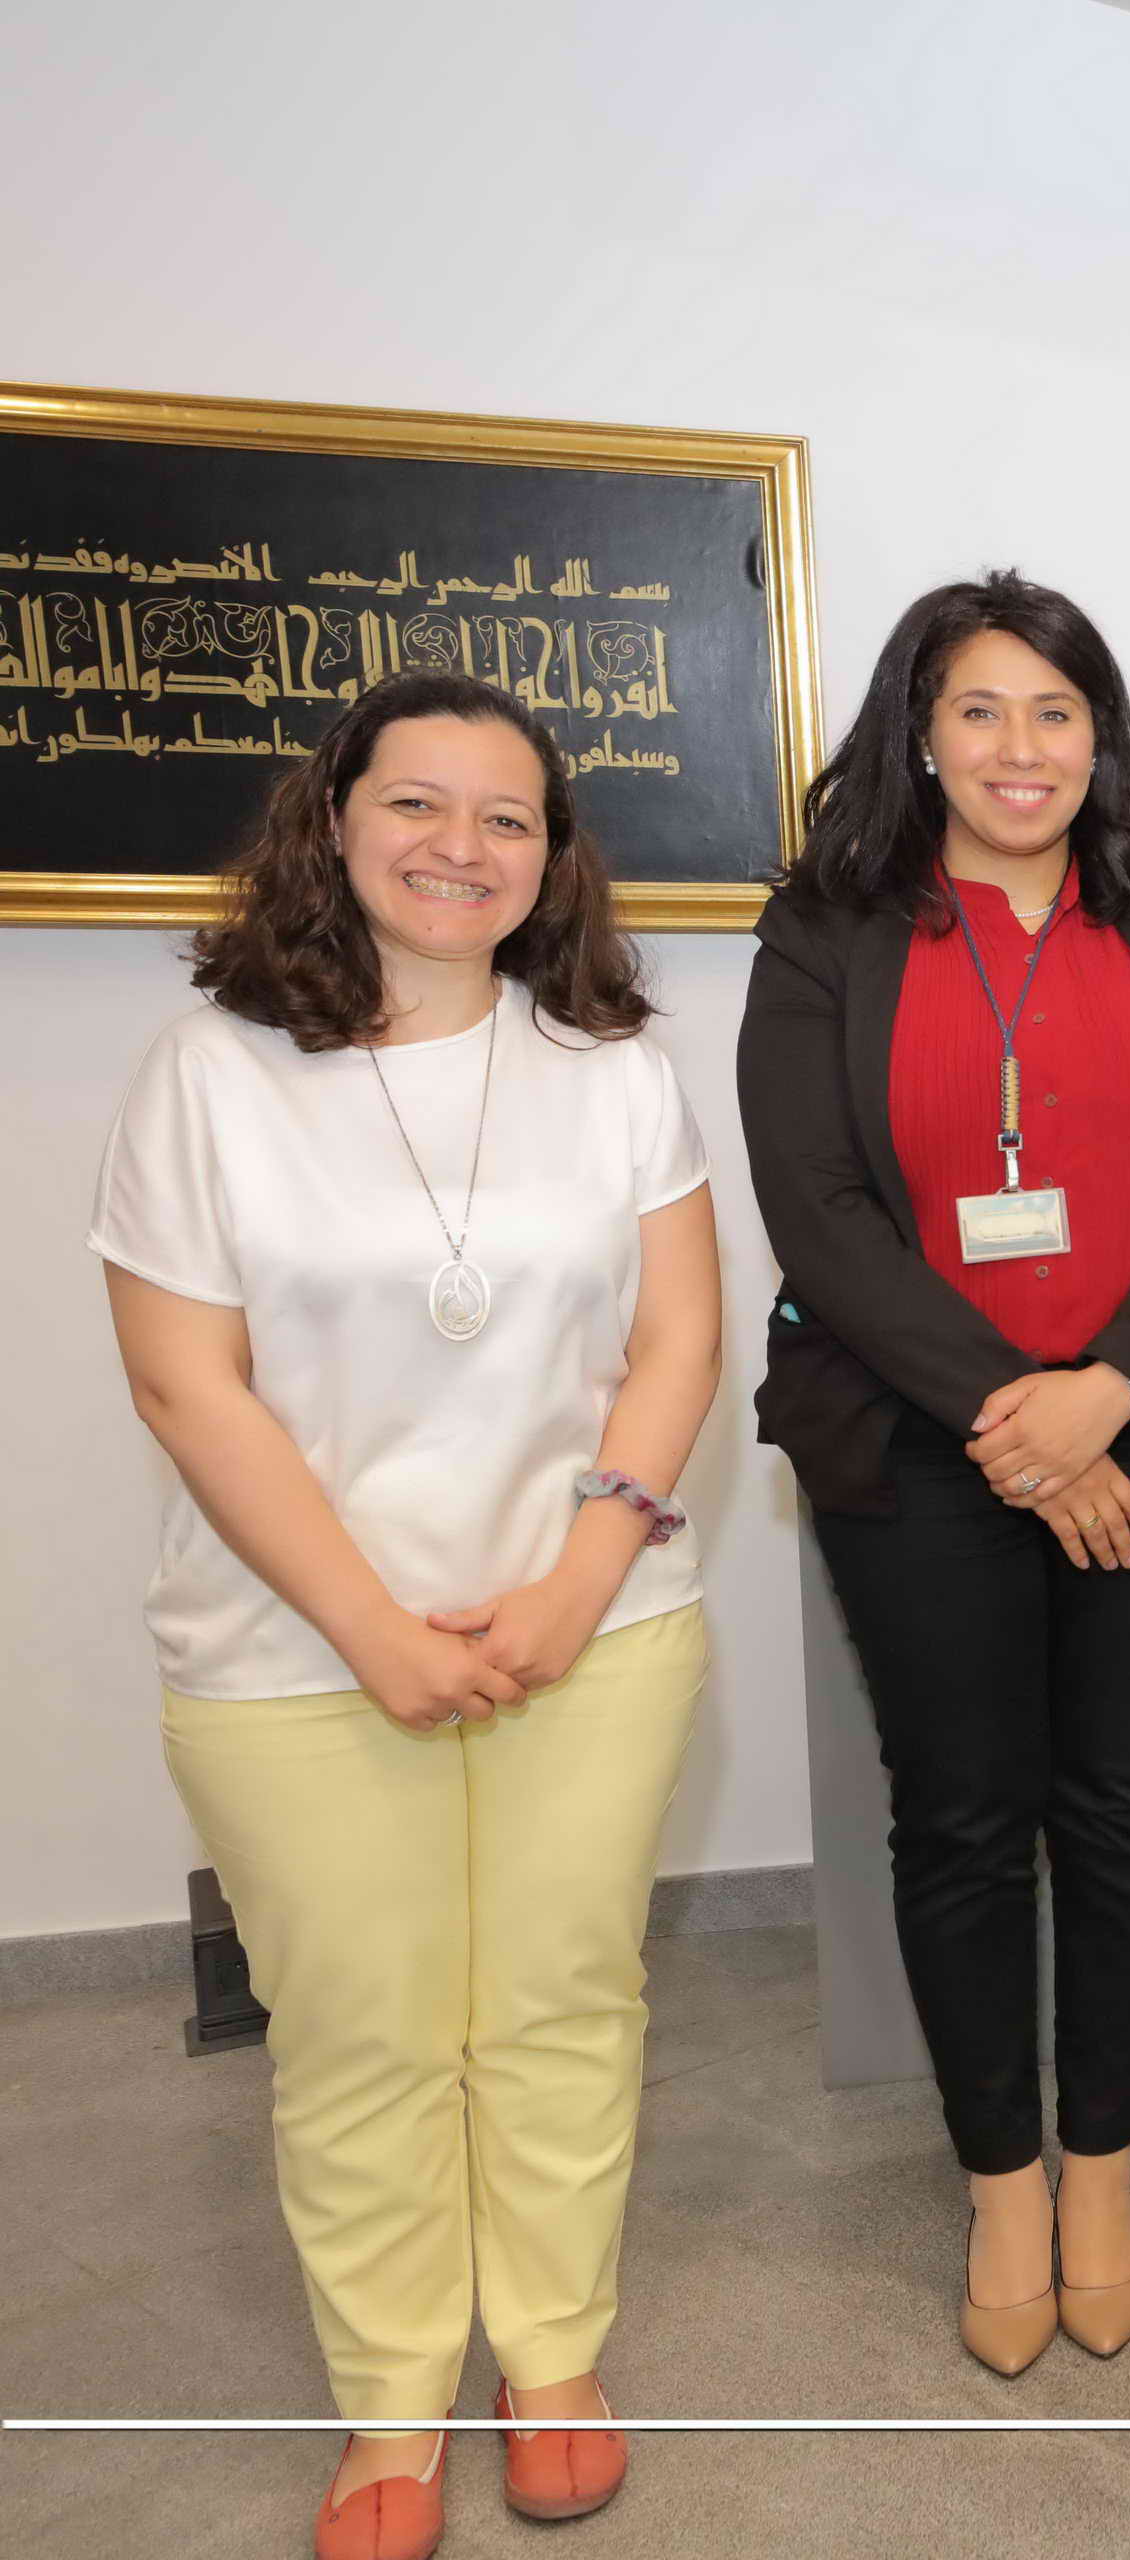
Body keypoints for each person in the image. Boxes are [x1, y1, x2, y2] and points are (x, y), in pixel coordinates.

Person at [92, 672, 717, 2559]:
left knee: (560, 1998)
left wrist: (581, 1581)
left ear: (552, 858)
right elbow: (187, 1383)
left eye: (508, 817)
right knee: (361, 2029)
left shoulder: (615, 1068)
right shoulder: (209, 1074)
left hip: (591, 1629)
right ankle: (389, 2402)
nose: (463, 846)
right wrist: (374, 1629)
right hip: (293, 1651)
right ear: (335, 819)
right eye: (418, 804)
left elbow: (678, 1344)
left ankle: (551, 2356)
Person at [739, 572, 1130, 2378]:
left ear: (1098, 741)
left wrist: (1103, 1395)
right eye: (980, 708)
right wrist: (1017, 1421)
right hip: (914, 1440)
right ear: (920, 731)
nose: (1020, 747)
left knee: (1123, 1799)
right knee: (963, 1815)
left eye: (1056, 712)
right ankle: (998, 2185)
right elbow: (816, 1205)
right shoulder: (826, 934)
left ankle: (1101, 2170)